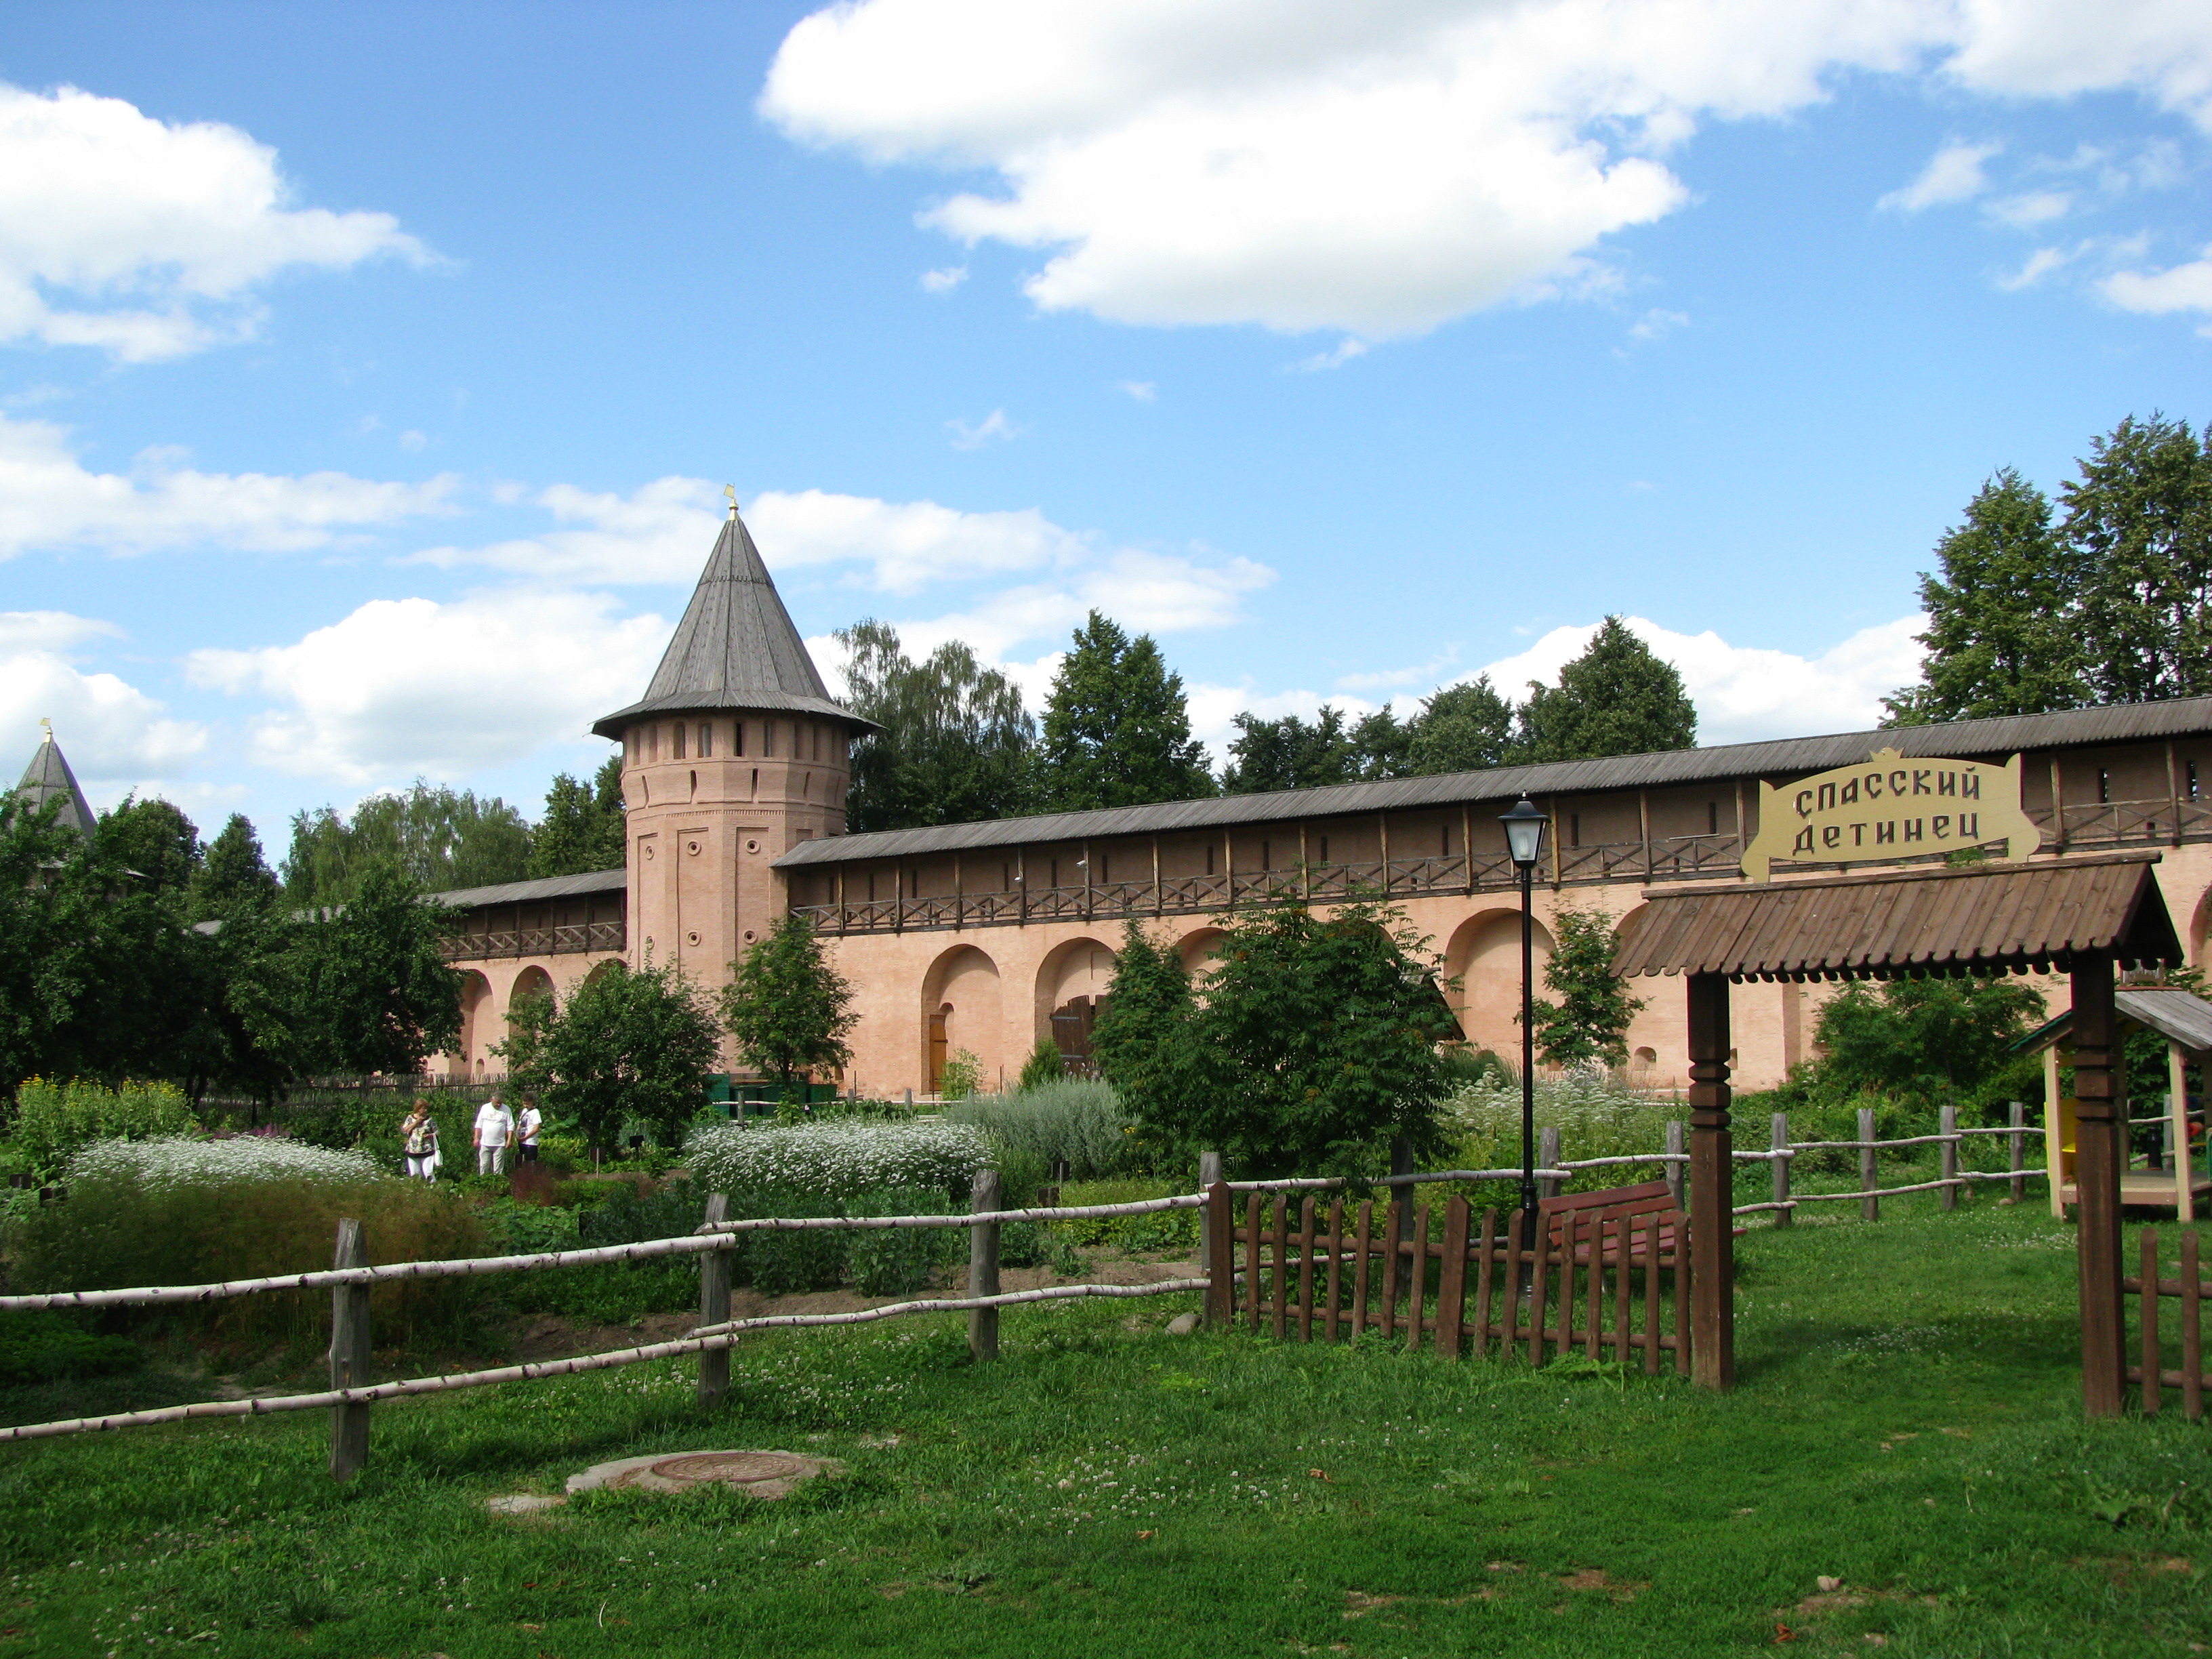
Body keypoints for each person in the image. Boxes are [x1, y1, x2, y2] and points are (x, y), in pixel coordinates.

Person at [473, 1093, 515, 1176]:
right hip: (485, 1143)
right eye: (497, 1103)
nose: (499, 1105)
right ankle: (483, 1183)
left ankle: (497, 1184)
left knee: (498, 1169)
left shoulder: (506, 1109)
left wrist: (509, 1140)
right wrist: (476, 1138)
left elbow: (510, 1126)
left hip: (499, 1144)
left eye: (500, 1103)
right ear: (491, 1100)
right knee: (484, 1166)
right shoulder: (485, 1108)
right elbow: (479, 1124)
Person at [402, 1097, 439, 1182]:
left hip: (427, 1149)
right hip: (413, 1149)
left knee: (428, 1172)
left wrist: (430, 1135)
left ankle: (432, 1187)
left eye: (426, 1108)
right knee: (415, 1173)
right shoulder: (410, 1118)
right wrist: (416, 1123)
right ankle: (417, 1189)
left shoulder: (429, 1119)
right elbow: (405, 1130)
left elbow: (437, 1132)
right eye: (424, 1108)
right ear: (418, 1109)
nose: (426, 1110)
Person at [515, 1095, 544, 1164]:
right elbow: (520, 1124)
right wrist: (517, 1135)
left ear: (531, 1102)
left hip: (530, 1142)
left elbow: (536, 1128)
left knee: (530, 1162)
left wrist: (525, 1137)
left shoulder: (535, 1112)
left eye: (527, 1104)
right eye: (524, 1104)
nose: (525, 1106)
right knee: (521, 1162)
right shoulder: (524, 1111)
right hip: (522, 1142)